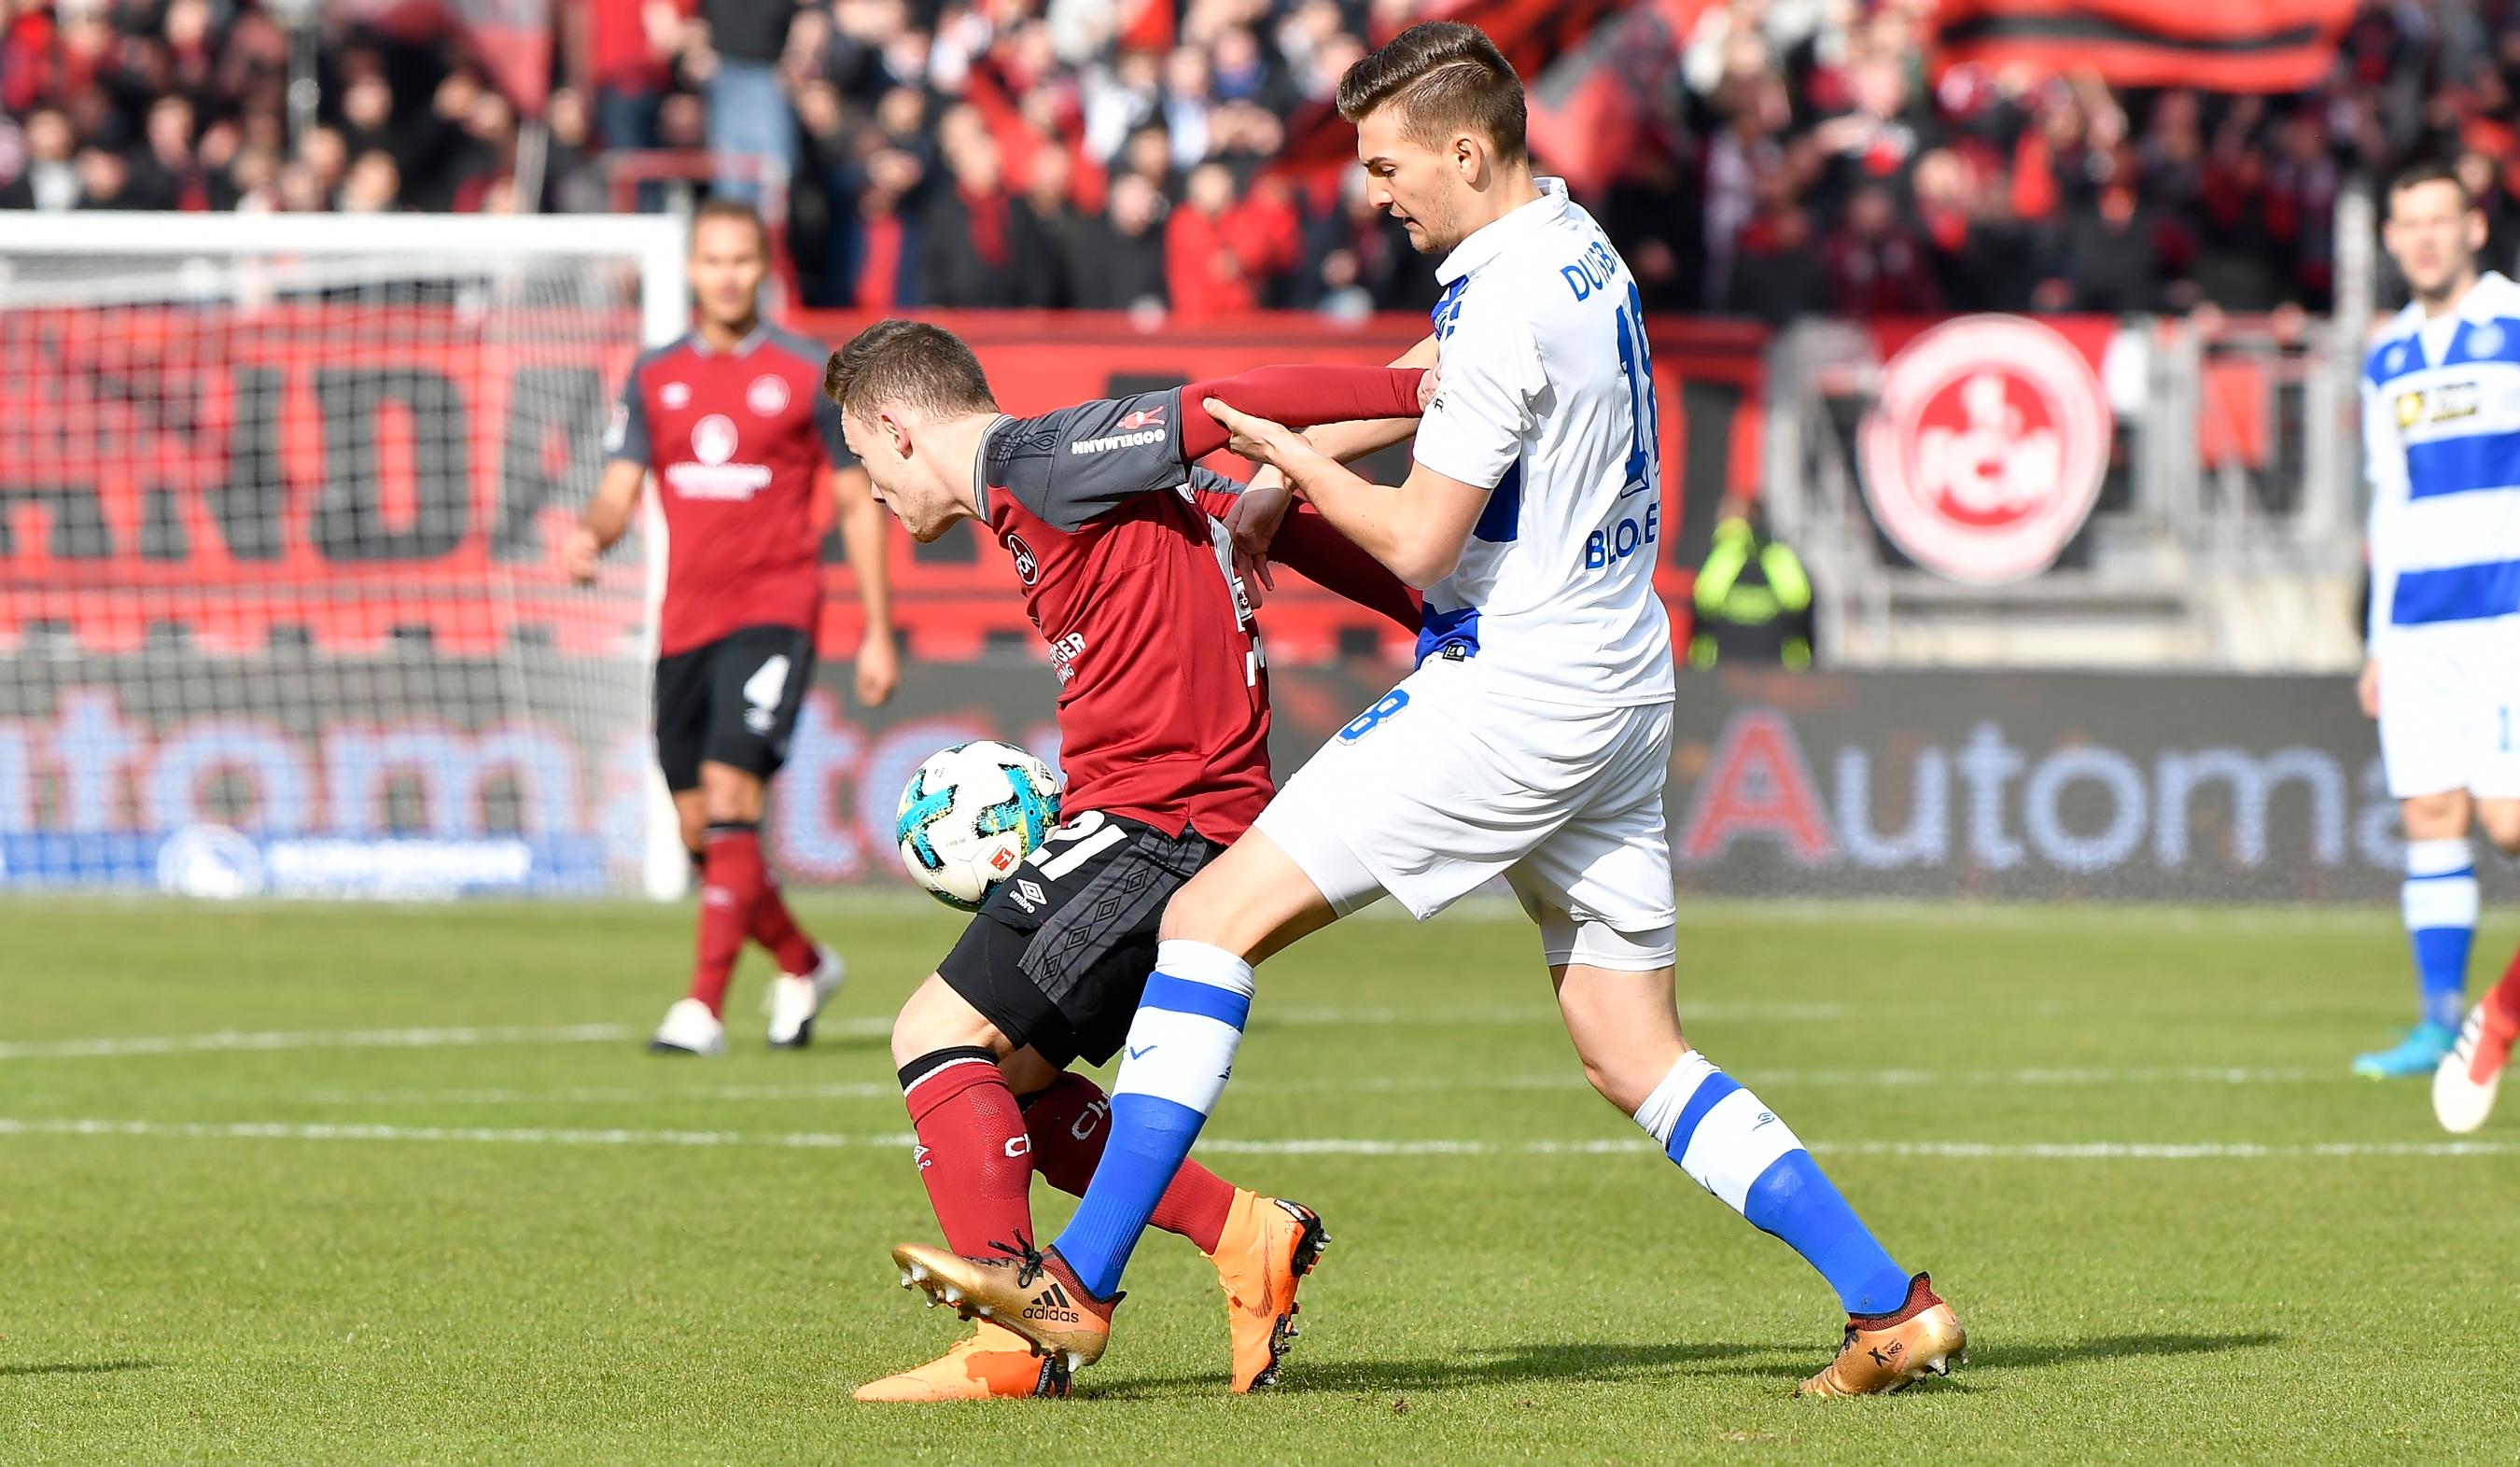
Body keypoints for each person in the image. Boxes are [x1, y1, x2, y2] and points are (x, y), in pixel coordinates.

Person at [891, 21, 1966, 1399]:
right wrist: (1289, 472)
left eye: (1388, 166)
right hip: (1620, 678)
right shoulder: (1569, 248)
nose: (1374, 193)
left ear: (1467, 150)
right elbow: (1441, 368)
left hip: (1514, 685)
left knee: (1208, 923)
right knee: (1631, 1048)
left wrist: (1286, 462)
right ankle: (1890, 1304)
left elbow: (1411, 540)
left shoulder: (1506, 300)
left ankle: (1080, 1285)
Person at [822, 319, 1429, 1400]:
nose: (869, 486)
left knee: (935, 1034)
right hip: (1159, 816)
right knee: (1010, 1080)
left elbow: (1234, 401)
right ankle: (1245, 1233)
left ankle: (1019, 1339)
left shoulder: (1044, 458)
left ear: (896, 427)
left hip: (1162, 819)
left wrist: (1419, 391)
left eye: (863, 456)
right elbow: (1280, 506)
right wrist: (1433, 607)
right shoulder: (1069, 499)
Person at [567, 197, 902, 1055]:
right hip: (686, 622)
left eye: (741, 260)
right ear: (692, 270)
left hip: (774, 612)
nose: (726, 276)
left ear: (763, 269)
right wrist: (591, 535)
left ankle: (702, 1010)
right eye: (712, 260)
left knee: (730, 799)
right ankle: (803, 963)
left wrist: (877, 627)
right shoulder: (655, 374)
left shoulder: (805, 373)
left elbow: (855, 505)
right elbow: (618, 489)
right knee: (699, 833)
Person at [2349, 161, 2520, 1086]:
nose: (2424, 238)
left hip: (2507, 613)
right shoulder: (2386, 357)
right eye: (2408, 223)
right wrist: (2378, 642)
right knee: (2431, 814)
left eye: (2439, 220)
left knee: (2508, 821)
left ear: (2474, 229)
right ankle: (2438, 1025)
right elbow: (2390, 502)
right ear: (2390, 239)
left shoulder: (2514, 326)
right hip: (2419, 624)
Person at [1689, 503, 1814, 669]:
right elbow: (1798, 600)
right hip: (1752, 671)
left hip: (1742, 672)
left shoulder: (1725, 558)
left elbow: (1706, 600)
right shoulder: (1780, 557)